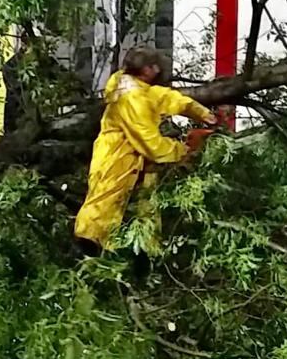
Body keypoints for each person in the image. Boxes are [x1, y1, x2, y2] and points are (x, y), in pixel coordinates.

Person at [74, 47, 217, 254]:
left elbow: (166, 97)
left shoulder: (136, 88)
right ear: (146, 69)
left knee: (143, 210)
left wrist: (200, 113)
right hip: (117, 158)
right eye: (155, 66)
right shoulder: (132, 98)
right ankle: (88, 253)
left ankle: (144, 255)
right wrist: (182, 150)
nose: (159, 70)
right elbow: (150, 143)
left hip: (132, 160)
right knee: (103, 207)